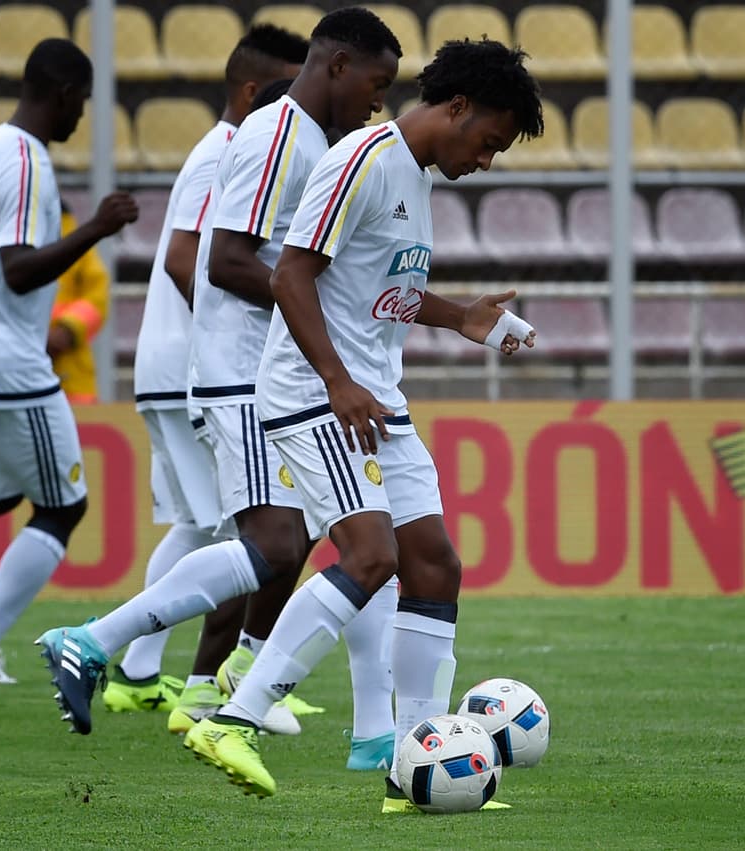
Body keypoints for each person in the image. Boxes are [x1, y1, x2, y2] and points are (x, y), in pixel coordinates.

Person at [183, 37, 543, 803]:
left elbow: (382, 289)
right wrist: (337, 379)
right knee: (372, 555)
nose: (486, 161)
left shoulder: (413, 176)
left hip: (376, 395)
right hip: (316, 396)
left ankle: (409, 764)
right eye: (488, 142)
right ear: (455, 107)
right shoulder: (362, 160)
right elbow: (289, 273)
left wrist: (461, 317)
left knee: (436, 563)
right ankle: (234, 715)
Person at [37, 6, 403, 741]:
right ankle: (104, 645)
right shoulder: (278, 138)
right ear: (337, 66)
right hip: (242, 370)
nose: (379, 99)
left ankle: (236, 683)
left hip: (263, 372)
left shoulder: (299, 137)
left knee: (312, 539)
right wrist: (311, 311)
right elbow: (225, 258)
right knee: (280, 544)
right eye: (377, 81)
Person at [101, 26, 310, 733]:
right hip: (198, 363)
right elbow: (190, 262)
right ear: (256, 92)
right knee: (245, 535)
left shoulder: (235, 150)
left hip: (187, 362)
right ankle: (208, 682)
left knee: (206, 524)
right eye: (292, 87)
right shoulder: (223, 153)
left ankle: (141, 669)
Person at [0, 39, 137, 684]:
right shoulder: (27, 161)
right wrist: (95, 227)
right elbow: (16, 271)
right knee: (63, 506)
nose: (80, 118)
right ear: (65, 94)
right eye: (83, 103)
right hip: (12, 369)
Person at [48, 199, 110, 404]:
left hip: (69, 363)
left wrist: (68, 330)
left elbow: (97, 297)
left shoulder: (73, 240)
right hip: (28, 354)